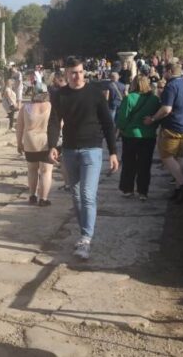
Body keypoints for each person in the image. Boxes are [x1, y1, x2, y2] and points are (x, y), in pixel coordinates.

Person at [47, 57, 120, 260]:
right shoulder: (60, 95)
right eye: (73, 72)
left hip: (92, 150)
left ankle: (86, 239)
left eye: (80, 72)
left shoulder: (95, 93)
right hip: (70, 150)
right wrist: (52, 145)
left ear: (83, 72)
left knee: (88, 195)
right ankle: (83, 233)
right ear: (66, 74)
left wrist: (113, 152)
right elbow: (54, 121)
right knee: (76, 196)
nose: (77, 76)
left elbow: (107, 123)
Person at [144, 62, 183, 202]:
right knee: (179, 158)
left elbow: (166, 109)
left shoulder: (171, 86)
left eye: (164, 71)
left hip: (173, 127)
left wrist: (153, 118)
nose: (163, 74)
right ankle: (178, 190)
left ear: (169, 71)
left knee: (167, 157)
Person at [115, 75, 160, 200]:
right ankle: (143, 192)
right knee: (145, 164)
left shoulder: (129, 98)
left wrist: (121, 129)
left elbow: (122, 118)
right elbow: (158, 117)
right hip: (148, 136)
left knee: (129, 163)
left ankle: (128, 189)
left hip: (130, 135)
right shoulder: (155, 100)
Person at [18, 89, 54, 206]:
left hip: (30, 141)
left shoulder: (25, 107)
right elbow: (60, 124)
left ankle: (32, 196)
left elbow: (19, 127)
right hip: (45, 141)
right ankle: (43, 199)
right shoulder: (50, 106)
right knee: (46, 171)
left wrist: (19, 143)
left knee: (32, 169)